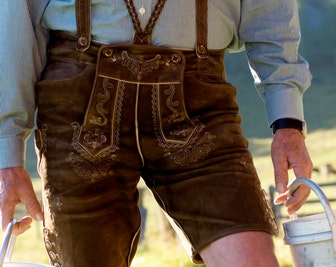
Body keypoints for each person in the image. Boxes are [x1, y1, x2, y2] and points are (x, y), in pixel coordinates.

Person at [0, 0, 313, 266]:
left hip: (199, 103)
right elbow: (15, 17)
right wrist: (7, 149)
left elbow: (271, 12)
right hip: (80, 105)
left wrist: (288, 123)